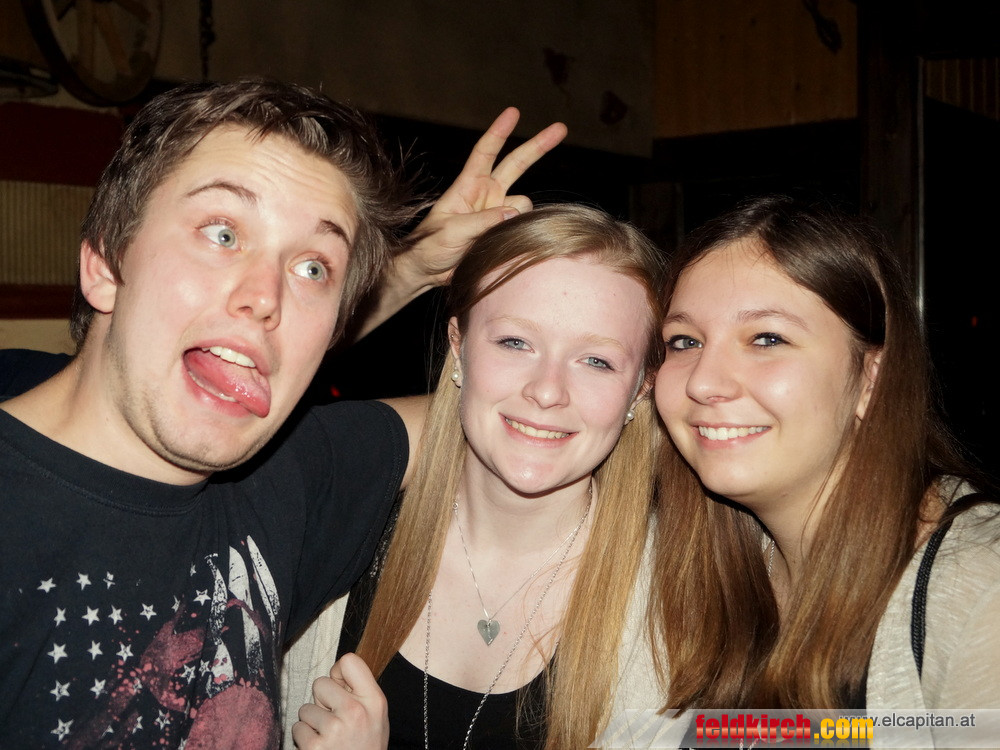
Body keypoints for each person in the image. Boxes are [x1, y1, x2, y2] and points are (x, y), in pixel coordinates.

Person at [0, 77, 566, 749]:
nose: (266, 296)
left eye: (313, 269)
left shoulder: (281, 487)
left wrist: (414, 270)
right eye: (221, 233)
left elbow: (510, 418)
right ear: (104, 264)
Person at [283, 205, 668, 750]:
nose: (547, 390)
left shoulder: (691, 599)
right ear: (458, 346)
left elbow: (799, 732)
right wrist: (405, 267)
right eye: (515, 343)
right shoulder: (329, 528)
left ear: (641, 388)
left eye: (596, 361)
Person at [651, 195, 1000, 718]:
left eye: (766, 338)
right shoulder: (696, 563)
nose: (703, 382)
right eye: (684, 341)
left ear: (871, 379)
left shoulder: (979, 589)